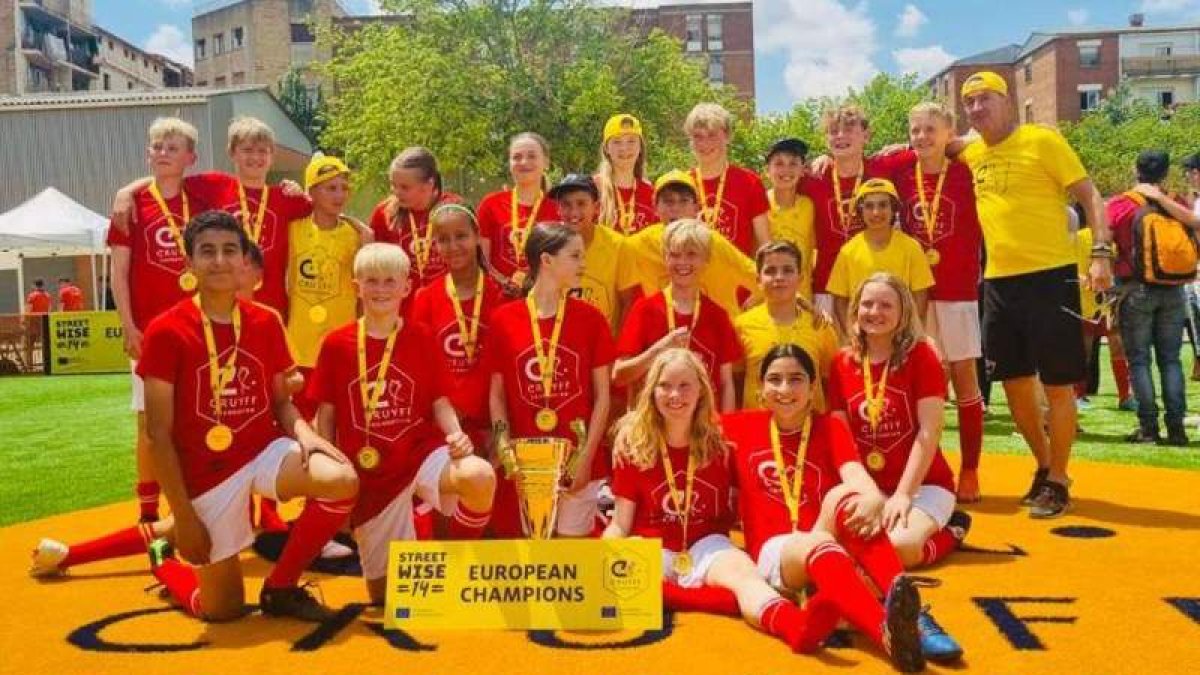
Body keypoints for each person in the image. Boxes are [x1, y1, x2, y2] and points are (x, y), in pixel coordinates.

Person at [34, 211, 360, 624]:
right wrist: (185, 519)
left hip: (262, 451)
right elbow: (158, 435)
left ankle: (281, 587)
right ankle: (160, 557)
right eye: (207, 252)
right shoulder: (167, 331)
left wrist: (304, 434)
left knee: (342, 480)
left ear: (245, 260)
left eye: (229, 250)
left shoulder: (266, 322)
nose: (219, 261)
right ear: (188, 263)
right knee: (222, 610)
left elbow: (281, 403)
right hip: (207, 474)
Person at [724, 343, 960, 670]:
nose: (785, 389)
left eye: (796, 379)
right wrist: (629, 428)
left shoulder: (829, 427)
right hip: (776, 552)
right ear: (760, 388)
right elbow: (676, 419)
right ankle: (888, 635)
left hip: (822, 535)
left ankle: (911, 615)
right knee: (823, 539)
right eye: (774, 380)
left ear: (812, 388)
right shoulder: (740, 427)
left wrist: (873, 497)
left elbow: (854, 474)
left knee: (845, 498)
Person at [605, 348, 840, 656]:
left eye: (685, 385)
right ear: (652, 391)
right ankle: (700, 597)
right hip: (653, 547)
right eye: (665, 385)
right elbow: (620, 523)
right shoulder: (633, 446)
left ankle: (795, 629)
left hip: (708, 545)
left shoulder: (723, 442)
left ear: (702, 390)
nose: (675, 395)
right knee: (617, 579)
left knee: (747, 577)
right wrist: (609, 552)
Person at [957, 70, 1112, 518]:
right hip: (999, 283)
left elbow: (1089, 194)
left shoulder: (1042, 140)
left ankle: (1061, 479)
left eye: (985, 99)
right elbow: (941, 144)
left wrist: (1099, 251)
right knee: (1014, 384)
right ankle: (1044, 467)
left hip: (1051, 276)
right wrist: (901, 148)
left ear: (1008, 101)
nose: (977, 108)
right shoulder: (971, 151)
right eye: (969, 102)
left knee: (1058, 385)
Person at [310, 243, 495, 604]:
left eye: (389, 281)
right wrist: (330, 476)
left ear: (406, 287)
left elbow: (440, 400)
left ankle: (456, 563)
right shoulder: (335, 344)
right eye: (371, 281)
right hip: (370, 471)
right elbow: (326, 415)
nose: (380, 289)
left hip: (418, 453)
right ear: (356, 286)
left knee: (479, 475)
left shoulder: (421, 337)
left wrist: (456, 435)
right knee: (387, 600)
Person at [827, 273, 970, 571]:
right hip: (868, 485)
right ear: (855, 311)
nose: (875, 312)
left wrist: (904, 495)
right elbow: (841, 441)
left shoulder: (921, 356)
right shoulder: (841, 362)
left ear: (903, 312)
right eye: (867, 304)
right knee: (838, 543)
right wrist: (870, 494)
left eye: (886, 305)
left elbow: (929, 433)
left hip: (923, 485)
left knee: (898, 547)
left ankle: (952, 531)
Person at [106, 117, 211, 523]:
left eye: (173, 147)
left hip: (197, 330)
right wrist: (128, 326)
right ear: (148, 153)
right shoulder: (130, 206)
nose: (163, 153)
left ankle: (192, 501)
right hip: (150, 331)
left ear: (190, 157)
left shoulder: (202, 200)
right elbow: (118, 272)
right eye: (157, 147)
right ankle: (148, 509)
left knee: (198, 418)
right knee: (150, 422)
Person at [112, 116, 313, 321]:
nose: (255, 157)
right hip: (221, 310)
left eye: (263, 151)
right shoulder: (215, 185)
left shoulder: (286, 198)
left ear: (272, 157)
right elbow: (169, 175)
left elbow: (323, 209)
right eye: (247, 150)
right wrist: (125, 192)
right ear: (232, 153)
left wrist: (301, 191)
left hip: (272, 310)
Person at [486, 224, 614, 537]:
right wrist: (505, 450)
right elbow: (497, 395)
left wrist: (584, 458)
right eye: (575, 256)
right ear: (546, 260)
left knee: (570, 558)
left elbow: (603, 397)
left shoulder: (590, 318)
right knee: (533, 551)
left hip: (579, 459)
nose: (583, 264)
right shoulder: (504, 319)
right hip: (525, 463)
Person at [890, 102, 986, 503]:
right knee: (923, 384)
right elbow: (858, 159)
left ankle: (970, 469)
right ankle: (930, 467)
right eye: (915, 130)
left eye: (931, 129)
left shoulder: (967, 170)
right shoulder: (899, 171)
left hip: (958, 291)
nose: (922, 137)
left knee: (965, 379)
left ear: (949, 133)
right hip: (917, 295)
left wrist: (964, 143)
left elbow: (986, 143)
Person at [1106, 150, 1198, 446]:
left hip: (1135, 289)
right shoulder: (1175, 202)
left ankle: (1148, 427)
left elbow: (1105, 240)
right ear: (1165, 172)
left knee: (1139, 360)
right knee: (1170, 360)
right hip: (1173, 288)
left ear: (1136, 169)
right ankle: (1176, 428)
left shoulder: (1121, 204)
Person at [614, 219, 742, 412]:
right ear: (665, 258)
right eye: (675, 255)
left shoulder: (717, 315)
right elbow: (619, 375)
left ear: (705, 259)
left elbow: (726, 384)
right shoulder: (645, 309)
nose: (682, 262)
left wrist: (728, 430)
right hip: (654, 427)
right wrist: (659, 350)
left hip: (703, 430)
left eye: (691, 255)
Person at [410, 204, 508, 452]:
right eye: (443, 239)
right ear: (434, 244)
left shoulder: (502, 296)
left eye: (461, 236)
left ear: (477, 236)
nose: (453, 246)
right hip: (445, 423)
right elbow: (422, 364)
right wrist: (451, 413)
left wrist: (471, 407)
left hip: (492, 419)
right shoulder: (426, 298)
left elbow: (500, 364)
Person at [286, 154, 371, 419]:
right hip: (301, 345)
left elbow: (364, 287)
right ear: (311, 192)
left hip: (340, 343)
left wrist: (368, 242)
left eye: (344, 188)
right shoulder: (293, 229)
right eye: (330, 188)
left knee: (339, 419)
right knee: (301, 418)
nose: (340, 195)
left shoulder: (355, 234)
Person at [805, 105, 906, 317]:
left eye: (849, 129)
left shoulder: (884, 167)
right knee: (835, 350)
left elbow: (936, 147)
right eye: (833, 131)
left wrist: (906, 145)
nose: (840, 136)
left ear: (866, 136)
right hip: (827, 286)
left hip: (876, 285)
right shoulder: (813, 177)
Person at [617, 170, 759, 322]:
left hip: (716, 334)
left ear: (696, 208)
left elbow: (761, 278)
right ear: (655, 207)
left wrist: (750, 313)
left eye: (684, 201)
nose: (676, 208)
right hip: (666, 333)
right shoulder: (636, 246)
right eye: (668, 201)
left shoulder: (713, 243)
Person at [734, 241, 838, 410]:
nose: (779, 277)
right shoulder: (741, 326)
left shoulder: (819, 325)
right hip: (759, 428)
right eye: (770, 271)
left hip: (810, 429)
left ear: (801, 278)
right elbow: (735, 380)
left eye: (788, 270)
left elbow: (830, 383)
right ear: (758, 280)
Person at [826, 179, 934, 334]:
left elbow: (921, 294)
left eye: (883, 205)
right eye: (869, 206)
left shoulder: (911, 247)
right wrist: (852, 333)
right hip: (863, 334)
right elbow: (840, 300)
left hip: (900, 333)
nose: (876, 212)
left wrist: (909, 331)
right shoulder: (848, 251)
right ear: (860, 211)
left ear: (893, 209)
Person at [369, 147, 463, 314]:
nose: (397, 193)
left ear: (429, 184)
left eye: (405, 187)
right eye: (393, 185)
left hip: (449, 308)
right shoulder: (384, 214)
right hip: (401, 311)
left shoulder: (454, 210)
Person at [684, 103, 771, 256]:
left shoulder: (750, 183)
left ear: (727, 136)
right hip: (692, 277)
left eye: (712, 135)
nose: (705, 143)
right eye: (698, 136)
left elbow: (764, 245)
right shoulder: (681, 183)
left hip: (737, 278)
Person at [477, 132, 560, 293]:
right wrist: (504, 282)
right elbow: (482, 259)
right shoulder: (491, 204)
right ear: (509, 164)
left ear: (546, 162)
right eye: (516, 157)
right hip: (499, 297)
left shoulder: (558, 210)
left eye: (532, 156)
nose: (524, 162)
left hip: (544, 298)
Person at [549, 173, 625, 329]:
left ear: (596, 207)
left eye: (581, 203)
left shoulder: (618, 245)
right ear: (558, 208)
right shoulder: (548, 245)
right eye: (566, 204)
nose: (574, 212)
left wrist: (622, 348)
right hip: (560, 344)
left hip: (605, 343)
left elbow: (629, 301)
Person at [763, 139, 816, 300]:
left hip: (802, 298)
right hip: (765, 298)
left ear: (802, 170)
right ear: (767, 170)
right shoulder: (759, 203)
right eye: (779, 163)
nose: (786, 170)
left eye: (793, 163)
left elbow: (815, 249)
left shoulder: (809, 206)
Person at [595, 113, 656, 235]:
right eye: (617, 142)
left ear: (640, 147)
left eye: (631, 141)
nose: (624, 148)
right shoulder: (593, 189)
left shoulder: (651, 193)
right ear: (606, 148)